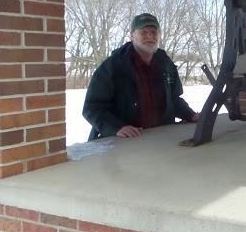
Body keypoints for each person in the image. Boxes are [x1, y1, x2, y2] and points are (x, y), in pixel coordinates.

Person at [83, 13, 200, 141]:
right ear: (132, 35)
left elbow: (173, 99)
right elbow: (92, 108)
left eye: (154, 32)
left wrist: (191, 115)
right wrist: (117, 127)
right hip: (122, 143)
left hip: (160, 140)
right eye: (143, 32)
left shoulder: (165, 63)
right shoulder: (113, 66)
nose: (150, 36)